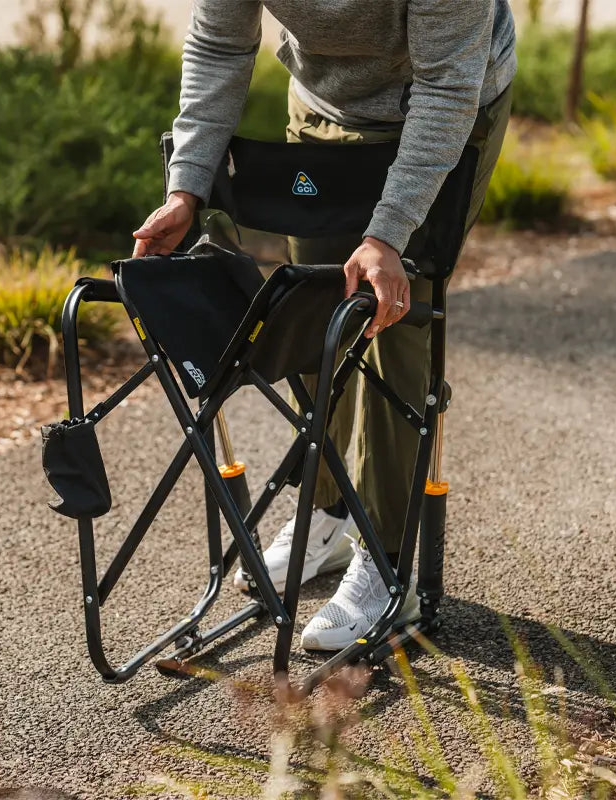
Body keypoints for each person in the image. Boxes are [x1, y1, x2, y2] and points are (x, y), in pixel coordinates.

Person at [132, 0, 516, 652]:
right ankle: (332, 510)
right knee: (315, 316)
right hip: (322, 105)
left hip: (440, 104)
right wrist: (186, 188)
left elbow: (447, 86)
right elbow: (221, 47)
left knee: (388, 325)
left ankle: (384, 556)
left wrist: (387, 233)